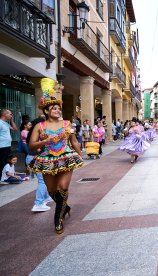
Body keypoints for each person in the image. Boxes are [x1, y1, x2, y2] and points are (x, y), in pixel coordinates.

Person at [29, 78, 83, 234]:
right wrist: (45, 140)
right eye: (54, 108)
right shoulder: (40, 126)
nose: (58, 111)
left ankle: (58, 219)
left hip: (66, 157)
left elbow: (74, 142)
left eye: (59, 108)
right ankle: (65, 207)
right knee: (52, 190)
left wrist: (80, 156)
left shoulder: (67, 124)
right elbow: (32, 145)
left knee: (63, 187)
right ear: (46, 111)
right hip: (47, 160)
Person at [26, 117, 53, 212]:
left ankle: (45, 197)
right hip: (36, 158)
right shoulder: (37, 134)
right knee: (43, 181)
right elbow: (36, 148)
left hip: (31, 157)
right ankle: (38, 203)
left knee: (42, 180)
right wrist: (45, 141)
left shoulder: (32, 133)